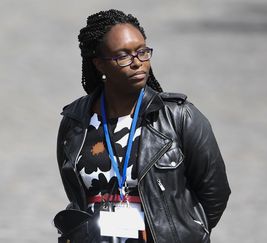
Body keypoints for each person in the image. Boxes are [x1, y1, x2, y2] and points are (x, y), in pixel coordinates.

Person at [54, 9, 231, 243]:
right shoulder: (76, 121)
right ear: (99, 64)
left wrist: (184, 231)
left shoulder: (179, 117)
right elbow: (75, 191)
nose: (137, 63)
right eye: (123, 56)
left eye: (142, 52)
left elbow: (214, 192)